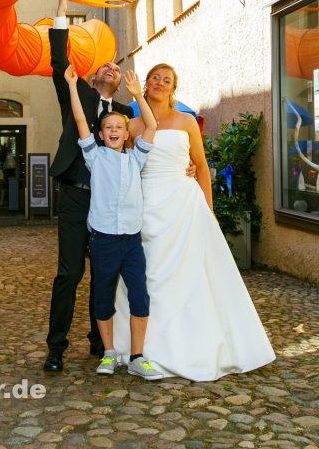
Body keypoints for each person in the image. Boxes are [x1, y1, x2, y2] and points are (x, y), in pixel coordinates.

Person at [113, 63, 276, 381]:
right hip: (147, 207)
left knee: (195, 273)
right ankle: (140, 348)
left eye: (167, 80)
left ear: (174, 88)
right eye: (156, 78)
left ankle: (193, 346)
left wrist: (209, 210)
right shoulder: (131, 126)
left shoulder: (187, 121)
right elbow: (126, 171)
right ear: (145, 84)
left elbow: (201, 167)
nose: (161, 83)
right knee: (146, 273)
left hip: (184, 206)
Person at [44, 0, 134, 373]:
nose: (112, 66)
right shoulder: (76, 94)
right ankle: (56, 348)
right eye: (106, 64)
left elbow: (146, 146)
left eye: (117, 65)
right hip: (77, 197)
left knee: (105, 272)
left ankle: (101, 341)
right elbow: (59, 60)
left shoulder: (126, 114)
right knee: (70, 272)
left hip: (110, 202)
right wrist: (62, 13)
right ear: (95, 75)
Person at [65, 63, 163, 380]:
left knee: (140, 296)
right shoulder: (95, 157)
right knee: (103, 296)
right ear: (101, 134)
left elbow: (151, 126)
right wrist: (71, 86)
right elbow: (80, 119)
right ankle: (109, 353)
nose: (113, 131)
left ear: (125, 133)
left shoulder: (137, 158)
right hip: (104, 241)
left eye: (118, 127)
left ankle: (137, 355)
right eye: (107, 128)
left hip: (131, 242)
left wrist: (137, 95)